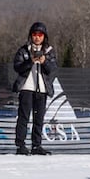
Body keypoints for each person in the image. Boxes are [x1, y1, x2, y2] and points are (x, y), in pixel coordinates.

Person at [12, 21, 57, 155]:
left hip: (42, 89)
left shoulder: (49, 51)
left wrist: (44, 62)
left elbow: (53, 69)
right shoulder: (24, 50)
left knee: (39, 119)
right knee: (23, 117)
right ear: (31, 35)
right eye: (35, 34)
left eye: (40, 35)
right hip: (27, 88)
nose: (37, 37)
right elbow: (17, 67)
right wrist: (30, 61)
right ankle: (20, 145)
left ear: (44, 36)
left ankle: (36, 145)